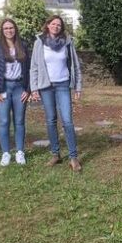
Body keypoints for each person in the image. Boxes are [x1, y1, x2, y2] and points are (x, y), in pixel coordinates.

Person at [30, 15, 83, 171]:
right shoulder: (39, 43)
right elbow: (33, 67)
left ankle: (73, 157)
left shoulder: (67, 42)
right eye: (53, 24)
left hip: (63, 85)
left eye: (59, 25)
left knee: (67, 121)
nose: (56, 26)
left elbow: (75, 65)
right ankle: (55, 154)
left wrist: (78, 87)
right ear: (47, 25)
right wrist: (34, 88)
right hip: (46, 86)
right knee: (51, 120)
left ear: (61, 28)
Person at [0, 18, 31, 166]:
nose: (9, 30)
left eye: (11, 28)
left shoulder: (23, 45)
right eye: (6, 28)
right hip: (3, 88)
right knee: (4, 121)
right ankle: (6, 153)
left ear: (15, 29)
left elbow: (30, 69)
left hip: (20, 87)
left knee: (19, 121)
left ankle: (20, 152)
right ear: (2, 30)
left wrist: (28, 89)